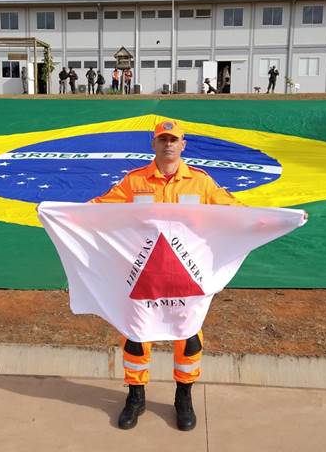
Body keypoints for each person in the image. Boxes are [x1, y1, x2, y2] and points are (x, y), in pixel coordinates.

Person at [90, 120, 241, 432]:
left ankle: (183, 397)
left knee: (188, 337)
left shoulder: (200, 183)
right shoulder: (134, 182)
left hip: (187, 275)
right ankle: (136, 396)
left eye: (173, 140)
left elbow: (235, 210)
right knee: (136, 337)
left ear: (183, 145)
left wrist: (277, 218)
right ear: (154, 144)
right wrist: (60, 213)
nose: (168, 145)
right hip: (144, 274)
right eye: (162, 139)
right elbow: (99, 209)